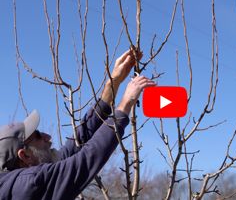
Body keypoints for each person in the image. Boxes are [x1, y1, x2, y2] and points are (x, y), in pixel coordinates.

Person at [0, 49, 156, 199]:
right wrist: (126, 103)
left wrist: (113, 82)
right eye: (38, 136)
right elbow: (84, 160)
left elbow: (78, 141)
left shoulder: (26, 178)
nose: (47, 136)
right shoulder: (27, 184)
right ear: (25, 155)